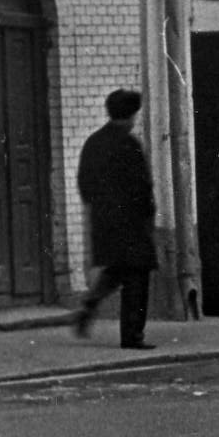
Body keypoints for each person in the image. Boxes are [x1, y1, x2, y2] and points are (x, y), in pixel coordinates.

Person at [72, 87, 158, 348]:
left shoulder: (93, 142)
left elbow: (84, 182)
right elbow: (143, 187)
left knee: (117, 269)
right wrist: (148, 215)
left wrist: (98, 209)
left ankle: (91, 302)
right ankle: (132, 336)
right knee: (137, 278)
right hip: (131, 223)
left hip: (103, 222)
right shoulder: (130, 144)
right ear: (130, 116)